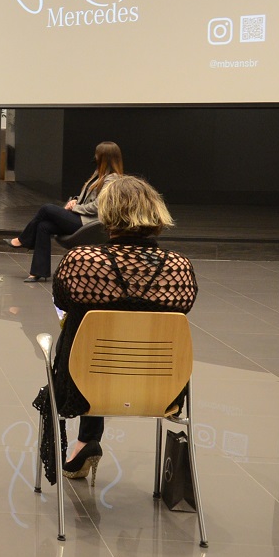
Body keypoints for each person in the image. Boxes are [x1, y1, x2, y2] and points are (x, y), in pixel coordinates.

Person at [33, 176, 196, 484]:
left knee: (84, 332)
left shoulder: (82, 261)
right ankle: (86, 441)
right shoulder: (179, 268)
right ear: (155, 211)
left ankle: (86, 440)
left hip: (85, 385)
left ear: (107, 212)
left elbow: (62, 301)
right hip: (159, 388)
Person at [5, 141, 124, 282]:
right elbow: (88, 197)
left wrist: (75, 208)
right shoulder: (99, 174)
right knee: (43, 226)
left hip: (88, 223)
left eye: (97, 154)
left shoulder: (112, 180)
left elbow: (98, 206)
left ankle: (23, 240)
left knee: (46, 209)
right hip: (80, 217)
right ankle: (38, 272)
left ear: (105, 157)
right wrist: (75, 200)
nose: (95, 157)